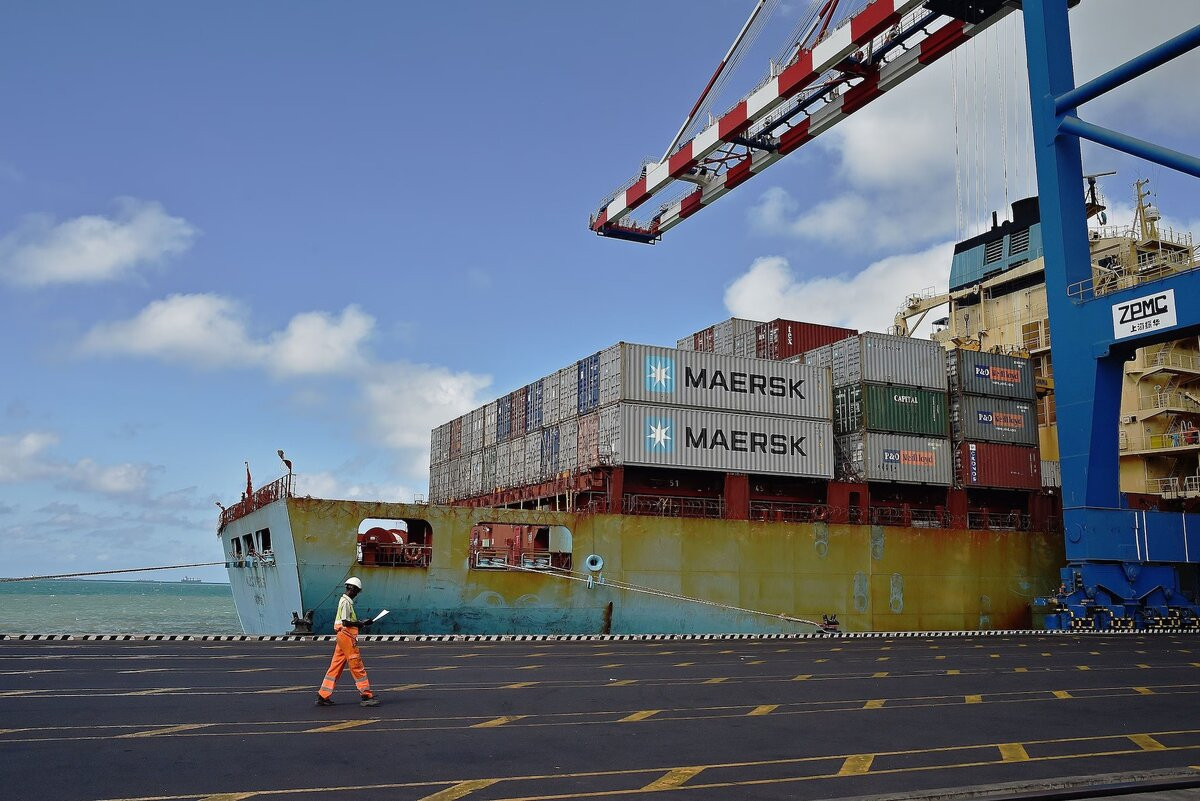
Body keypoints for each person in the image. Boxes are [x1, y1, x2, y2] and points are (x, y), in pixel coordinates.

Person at [315, 577, 379, 707]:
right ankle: (366, 695)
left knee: (336, 665)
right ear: (353, 589)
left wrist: (361, 622)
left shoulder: (345, 601)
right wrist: (360, 623)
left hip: (342, 636)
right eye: (357, 591)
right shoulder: (346, 602)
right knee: (356, 665)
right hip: (346, 636)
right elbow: (345, 622)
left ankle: (323, 695)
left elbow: (348, 621)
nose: (356, 594)